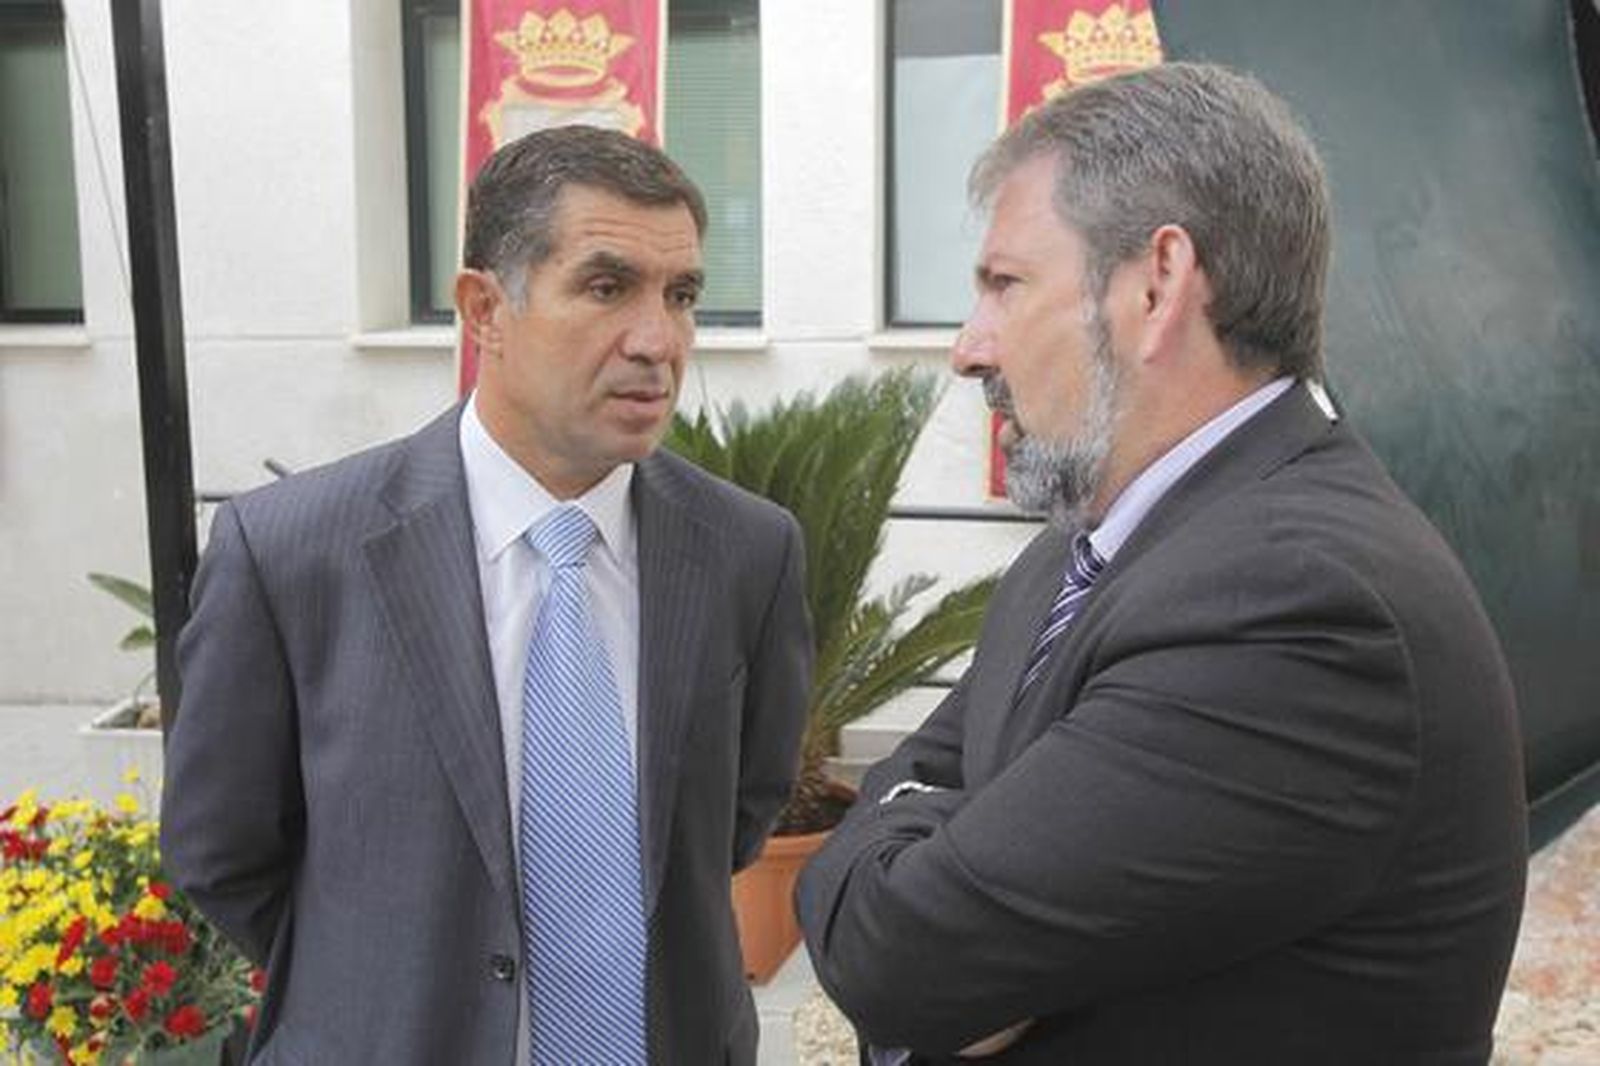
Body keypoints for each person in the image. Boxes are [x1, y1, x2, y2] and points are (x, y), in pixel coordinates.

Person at [797, 63, 1527, 1065]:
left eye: (1004, 284)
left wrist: (930, 856)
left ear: (1157, 283)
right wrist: (932, 840)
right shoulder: (1086, 550)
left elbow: (901, 957)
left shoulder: (1295, 604)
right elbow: (914, 789)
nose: (968, 348)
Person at [161, 125, 812, 1065]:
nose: (658, 340)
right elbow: (220, 849)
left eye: (681, 295)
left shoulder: (750, 552)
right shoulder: (295, 553)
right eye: (605, 286)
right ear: (483, 308)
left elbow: (739, 816)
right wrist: (388, 979)